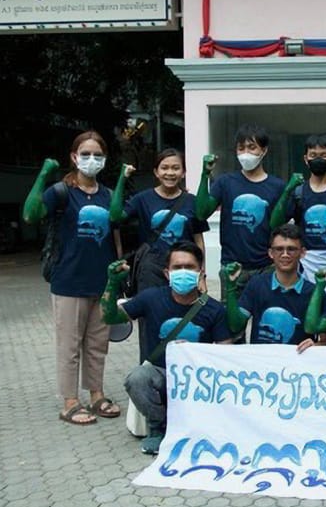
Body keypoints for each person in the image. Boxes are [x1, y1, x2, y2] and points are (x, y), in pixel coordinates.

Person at [22, 130, 122, 425]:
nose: (92, 160)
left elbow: (114, 232)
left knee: (97, 344)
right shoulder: (61, 192)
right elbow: (31, 214)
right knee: (69, 344)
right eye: (86, 154)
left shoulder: (107, 195)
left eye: (98, 155)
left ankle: (96, 395)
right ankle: (69, 401)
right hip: (69, 281)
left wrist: (118, 270)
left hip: (101, 282)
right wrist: (43, 175)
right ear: (74, 157)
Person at [100, 241, 232, 454]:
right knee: (137, 378)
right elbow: (109, 317)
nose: (183, 272)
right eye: (177, 267)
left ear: (200, 272)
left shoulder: (213, 309)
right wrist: (112, 284)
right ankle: (159, 428)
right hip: (161, 375)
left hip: (199, 380)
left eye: (189, 267)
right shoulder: (151, 298)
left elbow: (225, 352)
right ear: (167, 273)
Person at [108, 149, 211, 361]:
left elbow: (198, 239)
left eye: (175, 168)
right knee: (150, 321)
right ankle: (148, 368)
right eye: (164, 168)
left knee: (186, 318)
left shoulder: (191, 201)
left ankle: (188, 367)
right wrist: (121, 179)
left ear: (183, 172)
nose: (170, 173)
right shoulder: (142, 199)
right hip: (152, 269)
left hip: (185, 269)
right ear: (156, 172)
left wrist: (201, 275)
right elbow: (116, 216)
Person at [195, 124, 287, 301]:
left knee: (265, 323)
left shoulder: (277, 186)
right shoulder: (225, 182)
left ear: (264, 150)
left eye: (252, 147)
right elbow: (201, 213)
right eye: (241, 148)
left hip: (267, 266)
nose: (246, 152)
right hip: (232, 268)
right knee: (232, 327)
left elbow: (279, 226)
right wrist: (205, 174)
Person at [270, 134, 326, 306]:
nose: (318, 159)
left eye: (324, 155)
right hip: (306, 261)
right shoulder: (298, 192)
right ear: (305, 159)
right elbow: (277, 224)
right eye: (313, 155)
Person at [222, 223, 326, 349]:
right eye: (279, 249)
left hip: (298, 365)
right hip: (261, 364)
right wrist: (230, 287)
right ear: (271, 253)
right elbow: (236, 326)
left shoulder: (315, 292)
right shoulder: (256, 284)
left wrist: (315, 345)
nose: (285, 254)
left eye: (291, 249)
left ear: (303, 253)